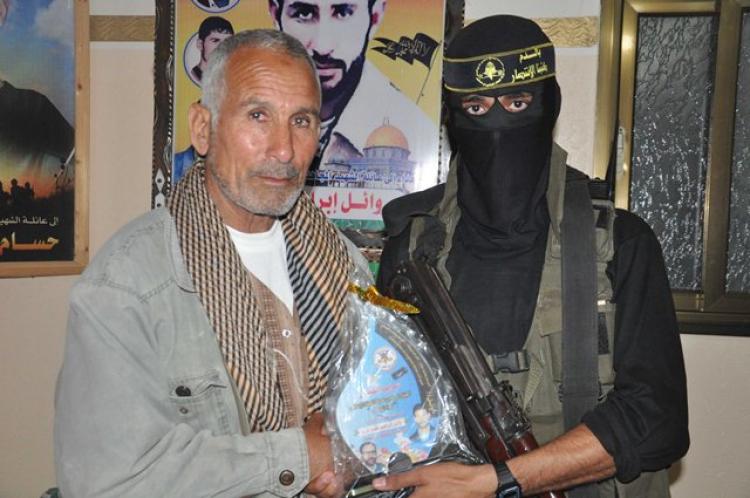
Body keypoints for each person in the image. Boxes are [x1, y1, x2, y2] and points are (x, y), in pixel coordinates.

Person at [374, 15, 688, 498]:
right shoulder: (412, 244)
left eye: (518, 103)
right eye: (476, 107)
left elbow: (657, 420)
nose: (498, 126)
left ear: (550, 105)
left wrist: (495, 482)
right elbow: (383, 396)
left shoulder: (620, 243)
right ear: (452, 118)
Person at [54, 29, 369, 498]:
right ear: (203, 128)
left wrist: (355, 450)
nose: (284, 149)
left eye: (301, 121)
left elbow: (379, 404)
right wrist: (302, 457)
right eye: (258, 116)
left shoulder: (341, 261)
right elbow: (109, 481)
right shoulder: (125, 285)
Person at [268, 0, 437, 176]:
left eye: (343, 13)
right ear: (275, 15)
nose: (323, 47)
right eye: (304, 14)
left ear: (375, 17)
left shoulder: (415, 132)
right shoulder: (249, 123)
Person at [190, 16, 234, 83]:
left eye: (227, 41)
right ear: (200, 44)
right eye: (215, 40)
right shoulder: (194, 77)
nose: (222, 47)